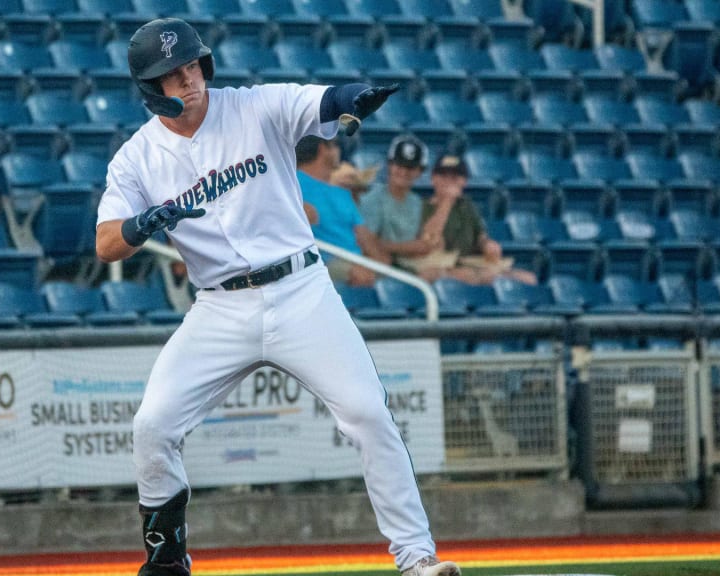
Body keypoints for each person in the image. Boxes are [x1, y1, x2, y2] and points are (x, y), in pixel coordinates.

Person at [95, 17, 459, 576]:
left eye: (192, 65)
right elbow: (106, 243)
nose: (187, 79)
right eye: (171, 74)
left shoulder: (253, 106)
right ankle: (166, 561)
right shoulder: (136, 159)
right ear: (151, 89)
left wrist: (348, 97)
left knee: (367, 413)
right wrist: (144, 223)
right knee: (153, 425)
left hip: (300, 290)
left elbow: (318, 102)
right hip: (219, 306)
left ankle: (417, 560)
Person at [392, 153, 537, 285]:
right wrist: (447, 202)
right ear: (433, 179)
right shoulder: (417, 207)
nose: (449, 182)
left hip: (468, 266)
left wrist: (487, 244)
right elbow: (427, 241)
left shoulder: (466, 206)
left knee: (528, 278)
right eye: (443, 176)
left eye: (455, 178)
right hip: (431, 269)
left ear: (464, 182)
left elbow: (479, 236)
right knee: (456, 275)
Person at [296, 135, 389, 287]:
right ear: (323, 148)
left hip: (356, 262)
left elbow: (364, 236)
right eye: (336, 145)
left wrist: (381, 262)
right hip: (321, 265)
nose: (340, 151)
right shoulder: (291, 183)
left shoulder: (342, 191)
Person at [360, 134, 429, 273]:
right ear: (390, 165)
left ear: (419, 172)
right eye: (399, 165)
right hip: (381, 265)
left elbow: (424, 244)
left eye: (410, 168)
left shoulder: (417, 202)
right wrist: (411, 247)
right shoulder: (374, 198)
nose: (403, 172)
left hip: (409, 263)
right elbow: (368, 244)